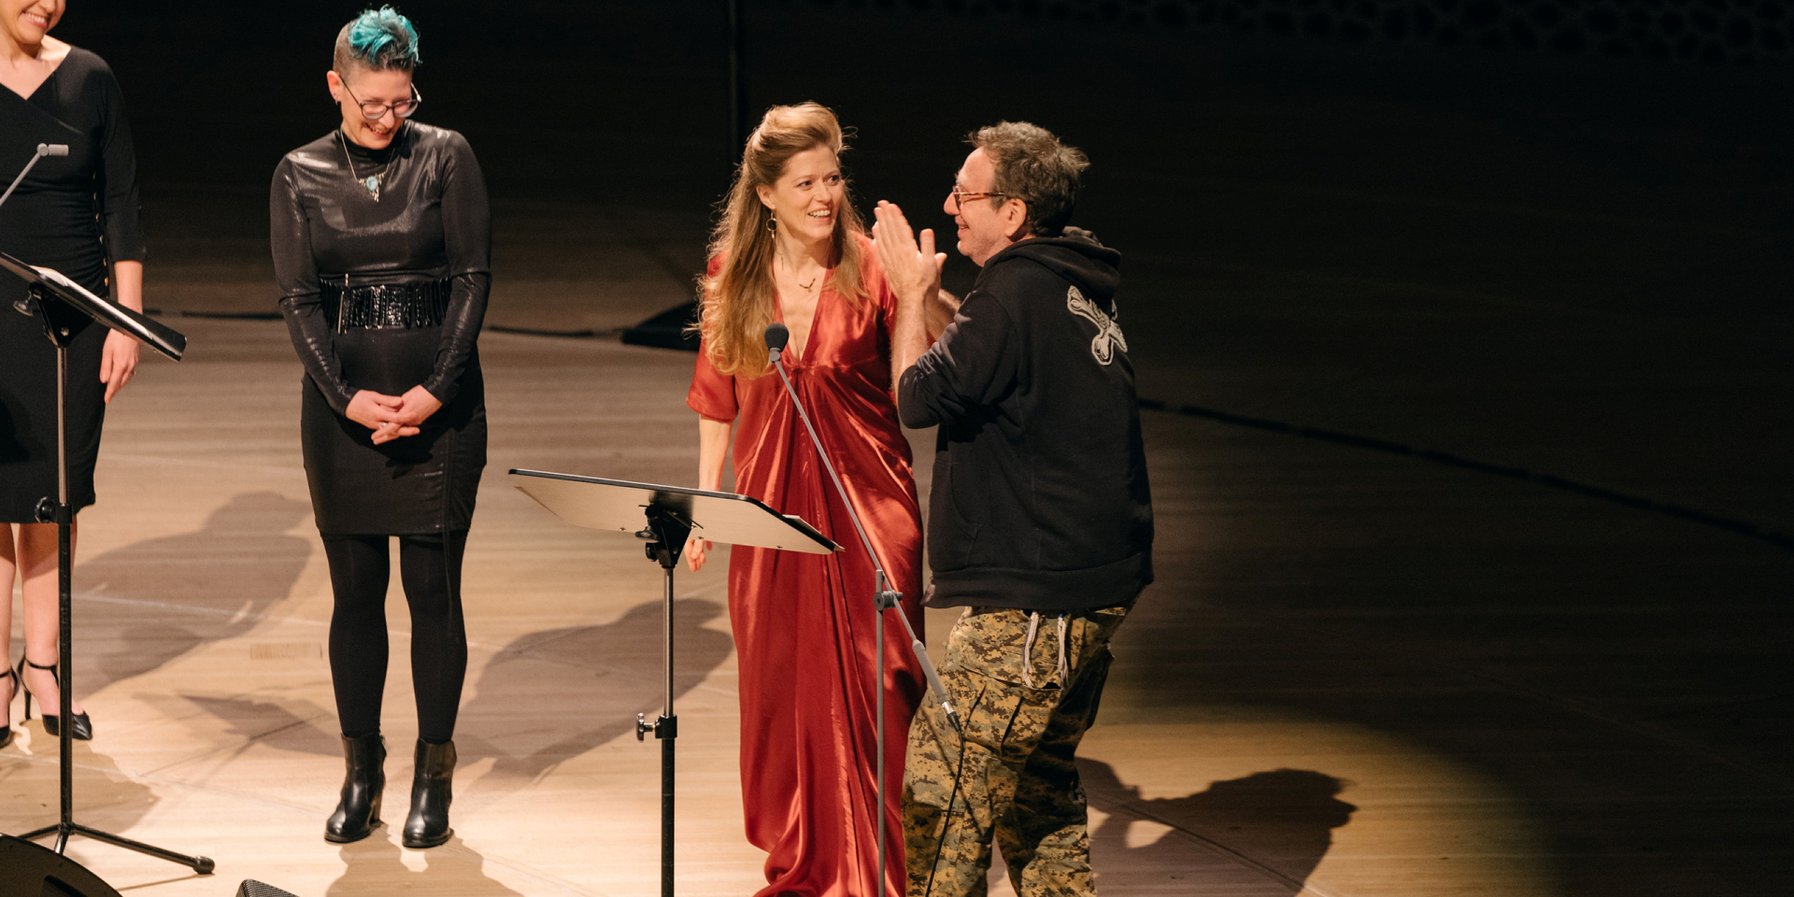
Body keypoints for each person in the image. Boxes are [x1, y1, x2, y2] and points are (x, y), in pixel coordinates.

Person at [873, 122, 1155, 897]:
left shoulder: (1014, 288)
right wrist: (933, 300)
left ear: (1014, 213)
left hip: (1039, 599)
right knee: (1035, 792)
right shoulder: (1062, 282)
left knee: (944, 791)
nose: (951, 205)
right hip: (1092, 589)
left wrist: (905, 299)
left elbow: (917, 395)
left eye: (966, 195)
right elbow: (975, 355)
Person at [684, 101, 951, 897]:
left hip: (872, 513)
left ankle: (877, 878)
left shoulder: (872, 267)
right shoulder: (733, 274)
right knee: (781, 699)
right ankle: (805, 865)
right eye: (805, 182)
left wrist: (924, 291)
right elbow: (715, 396)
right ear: (765, 192)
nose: (823, 196)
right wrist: (706, 507)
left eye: (833, 177)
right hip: (770, 517)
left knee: (880, 690)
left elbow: (939, 355)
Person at [269, 5, 489, 849]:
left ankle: (435, 770)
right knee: (355, 597)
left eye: (401, 102)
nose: (388, 118)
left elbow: (471, 277)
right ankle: (363, 769)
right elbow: (296, 300)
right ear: (336, 86)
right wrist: (345, 398)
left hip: (441, 413)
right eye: (372, 104)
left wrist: (435, 392)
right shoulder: (298, 173)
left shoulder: (447, 155)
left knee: (433, 595)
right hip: (343, 418)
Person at [1, 0, 145, 748]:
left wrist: (127, 318)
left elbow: (120, 199)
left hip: (72, 313)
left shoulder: (90, 77)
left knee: (56, 491)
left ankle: (46, 667)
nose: (44, 2)